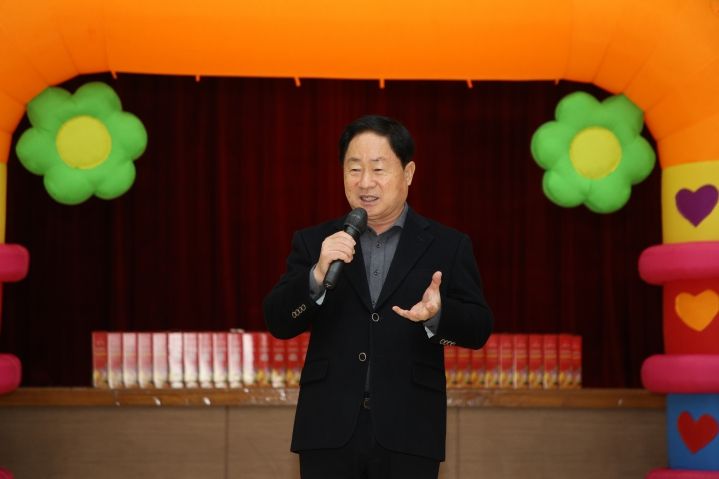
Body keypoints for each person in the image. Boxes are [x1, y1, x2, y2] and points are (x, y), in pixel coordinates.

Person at [263, 115, 493, 479]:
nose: (365, 182)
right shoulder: (316, 242)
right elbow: (278, 321)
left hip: (410, 430)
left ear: (409, 173)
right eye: (354, 169)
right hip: (327, 429)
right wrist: (316, 277)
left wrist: (437, 316)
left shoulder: (447, 245)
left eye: (378, 169)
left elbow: (478, 329)